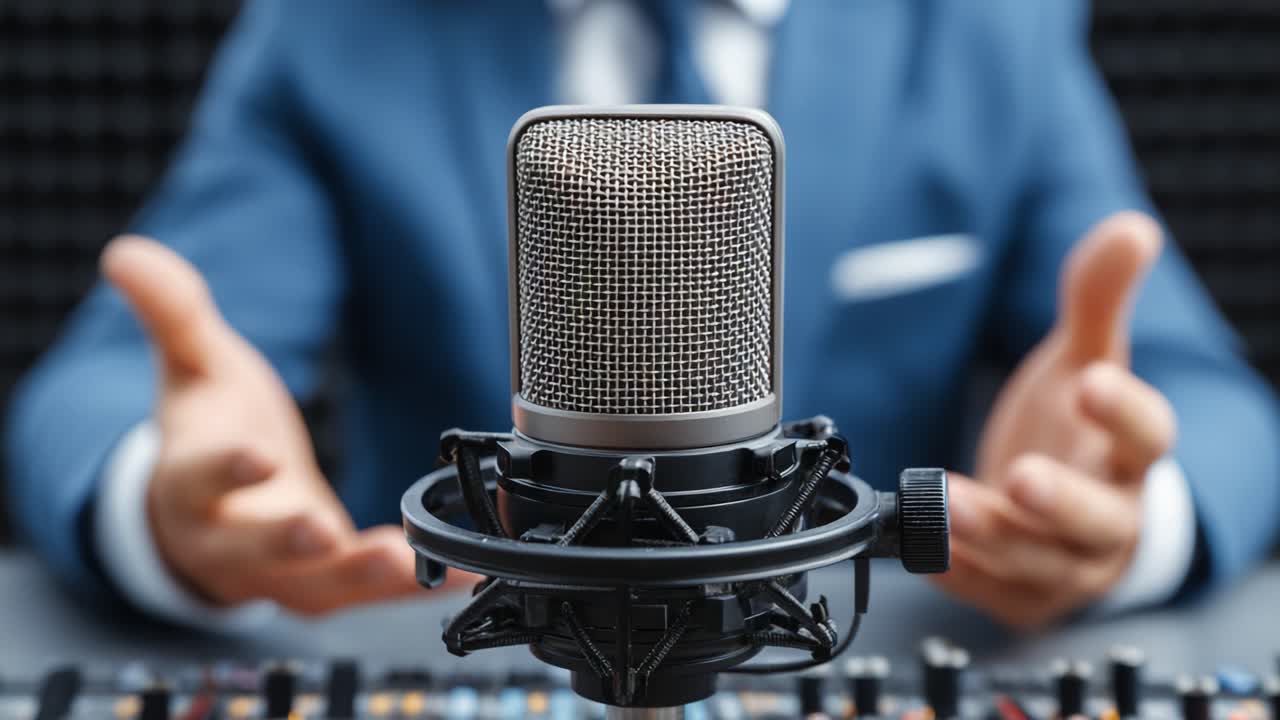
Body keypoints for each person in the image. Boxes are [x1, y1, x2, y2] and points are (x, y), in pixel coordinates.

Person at [6, 0, 1279, 631]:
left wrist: (1124, 509)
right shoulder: (332, 30)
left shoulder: (986, 29)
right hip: (458, 646)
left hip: (845, 643)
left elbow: (1200, 395)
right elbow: (115, 382)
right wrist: (171, 504)